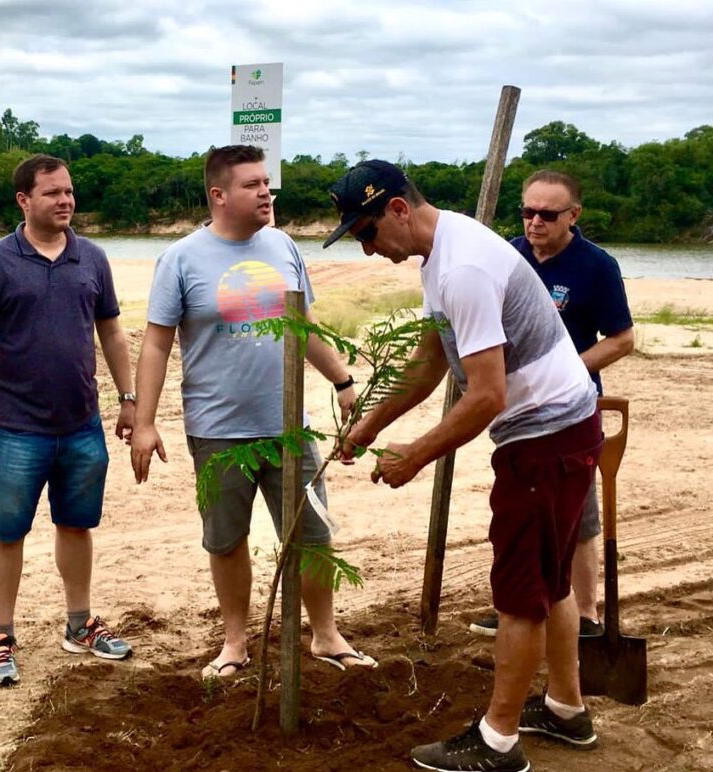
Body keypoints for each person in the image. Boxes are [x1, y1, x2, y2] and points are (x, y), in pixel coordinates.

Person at [326, 160, 603, 771]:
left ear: (398, 209)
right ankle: (565, 707)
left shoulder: (464, 269)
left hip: (545, 438)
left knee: (520, 594)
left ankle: (498, 742)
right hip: (560, 427)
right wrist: (372, 423)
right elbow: (431, 360)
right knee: (551, 578)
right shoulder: (444, 253)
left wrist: (417, 455)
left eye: (367, 232)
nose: (369, 250)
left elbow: (486, 395)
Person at [131, 145, 376, 679]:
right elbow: (156, 344)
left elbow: (302, 323)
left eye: (267, 182)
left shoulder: (284, 246)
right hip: (217, 429)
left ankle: (326, 634)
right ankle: (236, 642)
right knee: (226, 539)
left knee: (313, 535)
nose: (266, 192)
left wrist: (342, 379)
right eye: (252, 185)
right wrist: (144, 424)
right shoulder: (181, 258)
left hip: (288, 426)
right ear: (219, 195)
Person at [0, 154, 135, 688]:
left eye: (70, 192)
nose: (65, 201)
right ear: (24, 200)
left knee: (77, 524)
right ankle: (1, 636)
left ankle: (79, 625)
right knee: (7, 530)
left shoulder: (93, 258)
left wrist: (129, 399)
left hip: (81, 423)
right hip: (14, 427)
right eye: (53, 193)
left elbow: (113, 333)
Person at [470, 169, 634, 640]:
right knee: (520, 509)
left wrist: (567, 368)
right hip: (515, 410)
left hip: (572, 410)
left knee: (578, 515)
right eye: (528, 211)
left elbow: (622, 339)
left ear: (573, 215)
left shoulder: (595, 266)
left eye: (547, 214)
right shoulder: (508, 255)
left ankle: (585, 616)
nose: (535, 222)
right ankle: (517, 608)